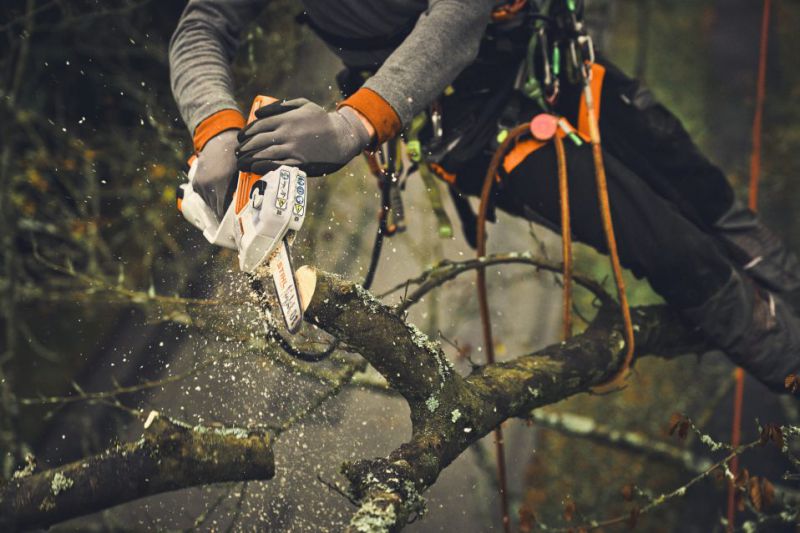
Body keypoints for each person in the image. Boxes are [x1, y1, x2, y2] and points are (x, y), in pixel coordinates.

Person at [169, 0, 800, 392]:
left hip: (550, 60)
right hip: (476, 128)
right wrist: (216, 126)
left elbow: (460, 14)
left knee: (694, 181)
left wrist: (355, 123)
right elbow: (203, 24)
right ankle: (785, 356)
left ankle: (790, 289)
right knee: (665, 244)